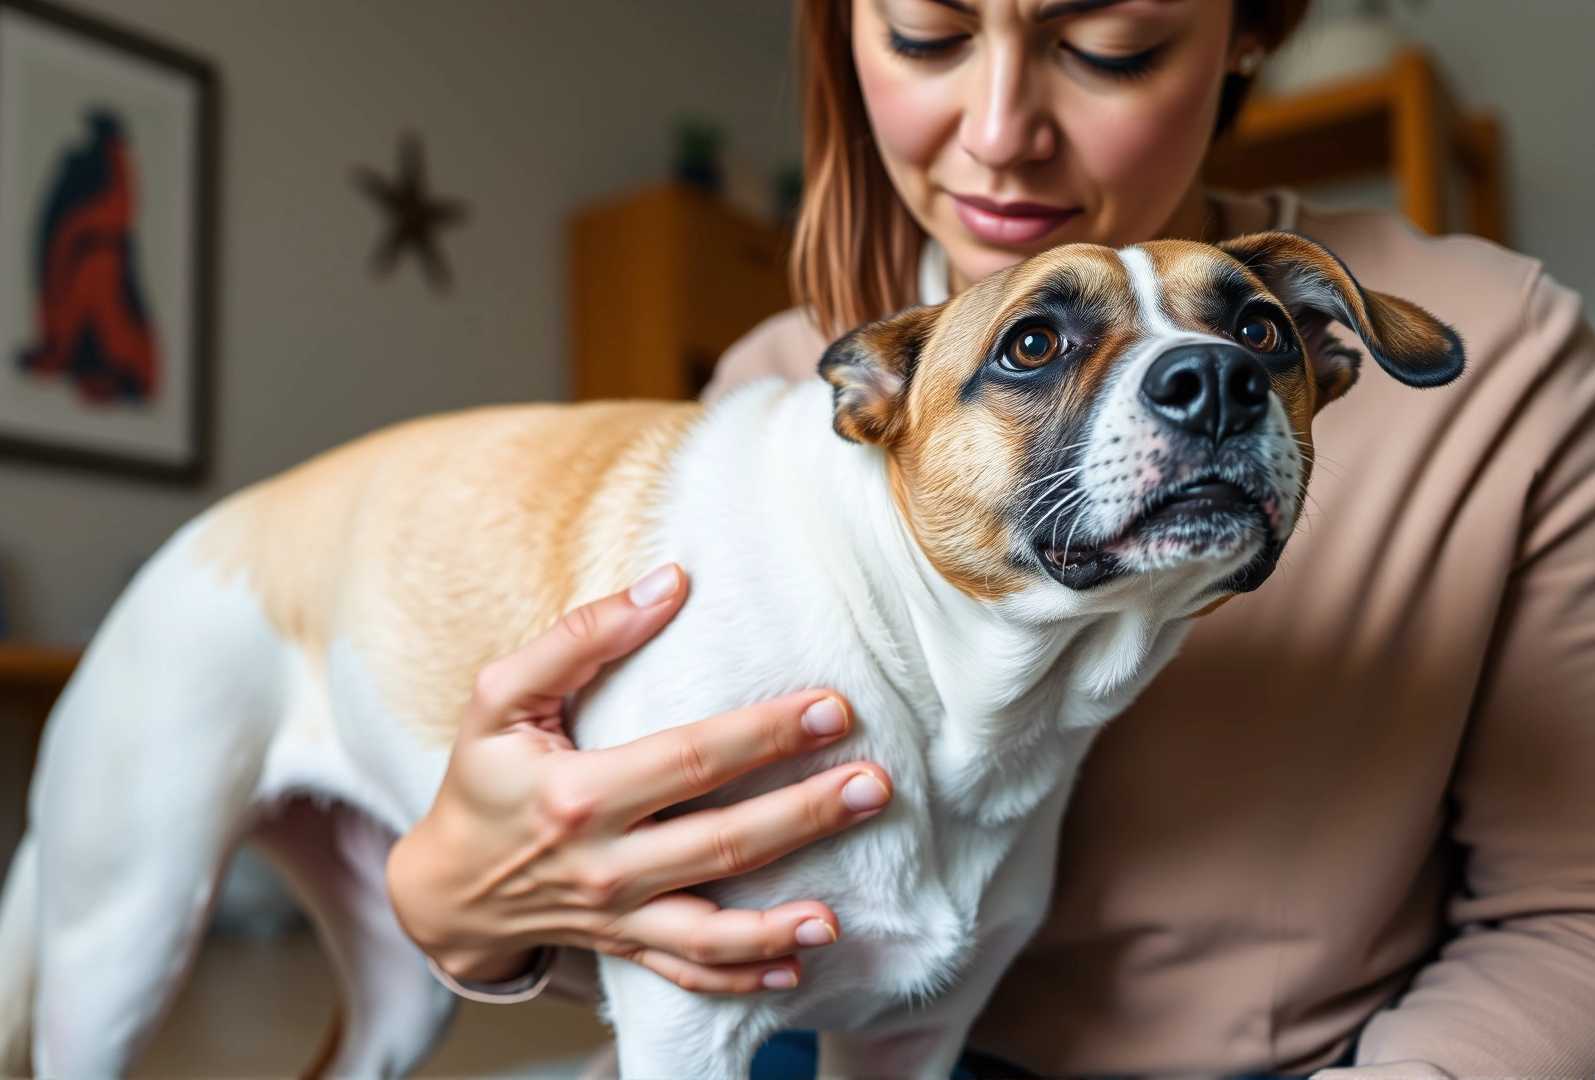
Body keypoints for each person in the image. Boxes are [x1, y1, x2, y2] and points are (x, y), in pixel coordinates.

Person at [385, 0, 1595, 1074]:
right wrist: (464, 914)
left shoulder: (1514, 360)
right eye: (928, 35)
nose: (1001, 129)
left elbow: (1569, 910)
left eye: (1107, 45)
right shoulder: (771, 419)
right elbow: (665, 930)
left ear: (1251, 30)